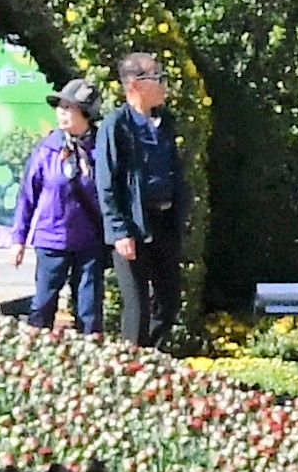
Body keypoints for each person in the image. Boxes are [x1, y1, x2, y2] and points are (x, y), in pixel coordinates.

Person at [100, 48, 191, 343]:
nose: (163, 84)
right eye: (157, 77)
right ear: (135, 84)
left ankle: (148, 357)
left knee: (169, 303)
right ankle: (131, 363)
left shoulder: (166, 122)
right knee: (137, 306)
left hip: (164, 223)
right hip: (133, 225)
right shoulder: (116, 125)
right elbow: (106, 182)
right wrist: (119, 231)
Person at [10, 85, 114, 333]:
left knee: (89, 311)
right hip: (51, 239)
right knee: (42, 307)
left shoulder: (102, 148)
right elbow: (27, 195)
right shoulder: (48, 147)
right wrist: (18, 239)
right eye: (60, 107)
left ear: (86, 113)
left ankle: (90, 352)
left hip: (90, 242)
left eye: (69, 107)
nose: (61, 112)